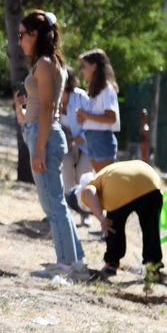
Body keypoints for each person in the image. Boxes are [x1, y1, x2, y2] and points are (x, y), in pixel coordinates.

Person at [13, 10, 88, 283]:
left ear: (35, 35)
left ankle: (65, 264)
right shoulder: (50, 63)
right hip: (43, 134)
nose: (19, 40)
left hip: (44, 136)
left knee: (53, 204)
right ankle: (76, 262)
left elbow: (47, 108)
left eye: (22, 34)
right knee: (57, 203)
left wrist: (40, 148)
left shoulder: (45, 64)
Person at [75, 161, 164, 280]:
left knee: (112, 226)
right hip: (151, 182)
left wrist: (102, 219)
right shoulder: (105, 174)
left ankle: (111, 264)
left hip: (121, 188)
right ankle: (153, 268)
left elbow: (88, 192)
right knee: (151, 229)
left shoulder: (90, 187)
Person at [76, 49, 121, 171]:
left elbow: (111, 118)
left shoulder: (107, 89)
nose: (82, 70)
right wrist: (83, 118)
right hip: (92, 138)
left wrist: (86, 116)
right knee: (100, 181)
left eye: (84, 67)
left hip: (102, 139)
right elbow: (93, 116)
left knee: (105, 183)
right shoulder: (94, 90)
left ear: (94, 66)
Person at [60, 69, 92, 227]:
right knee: (65, 169)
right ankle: (65, 211)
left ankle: (86, 213)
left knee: (83, 175)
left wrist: (80, 138)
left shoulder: (80, 97)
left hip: (85, 143)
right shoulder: (52, 97)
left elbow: (92, 121)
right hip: (66, 143)